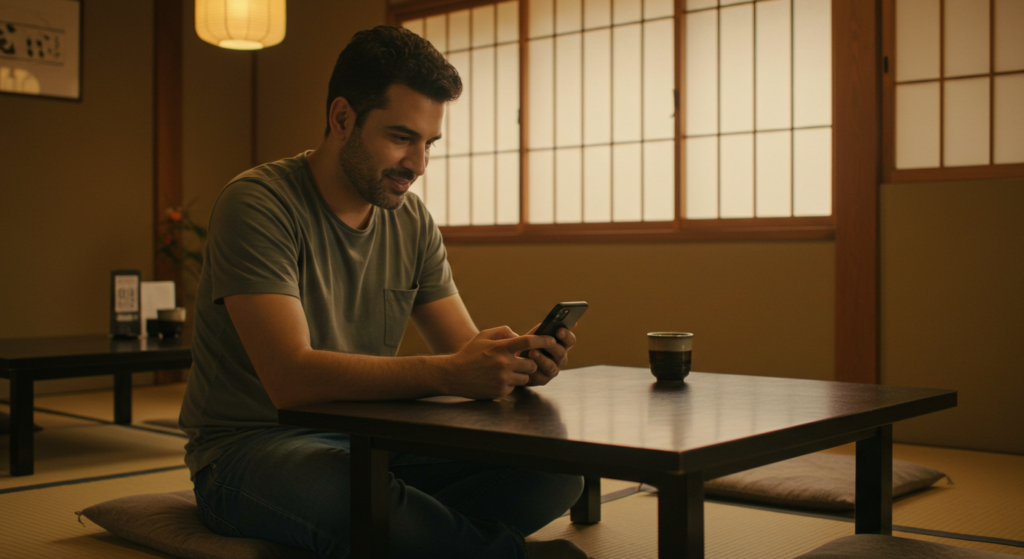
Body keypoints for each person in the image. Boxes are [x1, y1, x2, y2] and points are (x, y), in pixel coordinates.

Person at [179, 25, 590, 559]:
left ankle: (413, 538)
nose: (418, 165)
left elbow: (461, 351)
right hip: (250, 450)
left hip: (370, 443)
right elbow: (290, 379)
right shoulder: (258, 204)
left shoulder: (410, 219)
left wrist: (509, 364)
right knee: (348, 495)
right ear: (342, 118)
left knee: (557, 474)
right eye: (401, 138)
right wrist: (451, 372)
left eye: (428, 143)